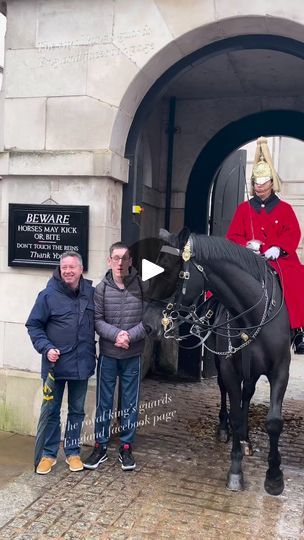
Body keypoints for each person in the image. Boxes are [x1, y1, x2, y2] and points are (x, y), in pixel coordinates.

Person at [226, 136, 304, 354]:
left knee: (296, 276)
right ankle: (216, 321)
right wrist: (246, 245)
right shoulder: (244, 209)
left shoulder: (285, 209)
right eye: (256, 183)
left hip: (279, 259)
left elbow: (293, 233)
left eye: (263, 183)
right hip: (249, 257)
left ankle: (298, 329)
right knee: (223, 276)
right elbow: (233, 235)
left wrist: (278, 248)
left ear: (271, 183)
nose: (259, 187)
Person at [26, 251, 96, 474]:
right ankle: (49, 454)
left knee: (76, 410)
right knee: (52, 411)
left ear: (81, 269)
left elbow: (103, 321)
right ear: (59, 269)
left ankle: (73, 451)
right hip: (54, 367)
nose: (67, 271)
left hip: (82, 364)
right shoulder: (47, 295)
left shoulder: (92, 294)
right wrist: (46, 348)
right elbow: (34, 326)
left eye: (72, 267)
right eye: (64, 267)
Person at [84, 241, 146, 471]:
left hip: (133, 353)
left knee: (130, 403)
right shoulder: (100, 289)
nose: (120, 263)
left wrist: (129, 336)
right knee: (104, 403)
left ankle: (126, 447)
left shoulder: (141, 286)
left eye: (125, 258)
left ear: (131, 261)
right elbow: (97, 321)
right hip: (109, 354)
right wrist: (116, 335)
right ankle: (100, 445)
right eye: (116, 258)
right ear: (109, 261)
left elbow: (148, 319)